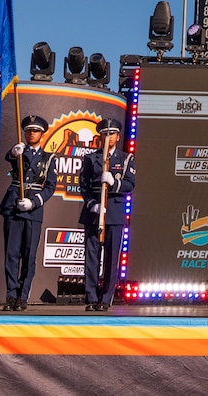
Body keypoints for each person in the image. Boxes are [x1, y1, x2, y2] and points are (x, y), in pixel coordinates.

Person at [0, 115, 56, 311]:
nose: (31, 133)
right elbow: (9, 157)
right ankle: (10, 295)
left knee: (29, 256)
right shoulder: (19, 152)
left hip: (32, 209)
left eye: (35, 131)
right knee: (11, 254)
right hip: (14, 204)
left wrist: (33, 202)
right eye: (28, 131)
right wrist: (14, 152)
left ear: (42, 134)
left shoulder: (49, 158)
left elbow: (50, 187)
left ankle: (23, 296)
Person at [79, 118, 137, 311]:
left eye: (111, 134)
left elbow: (130, 184)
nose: (108, 137)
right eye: (104, 134)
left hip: (114, 211)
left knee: (112, 257)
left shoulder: (126, 159)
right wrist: (92, 204)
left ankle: (106, 298)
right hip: (94, 211)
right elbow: (84, 186)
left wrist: (114, 182)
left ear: (118, 136)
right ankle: (91, 297)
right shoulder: (90, 158)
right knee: (92, 256)